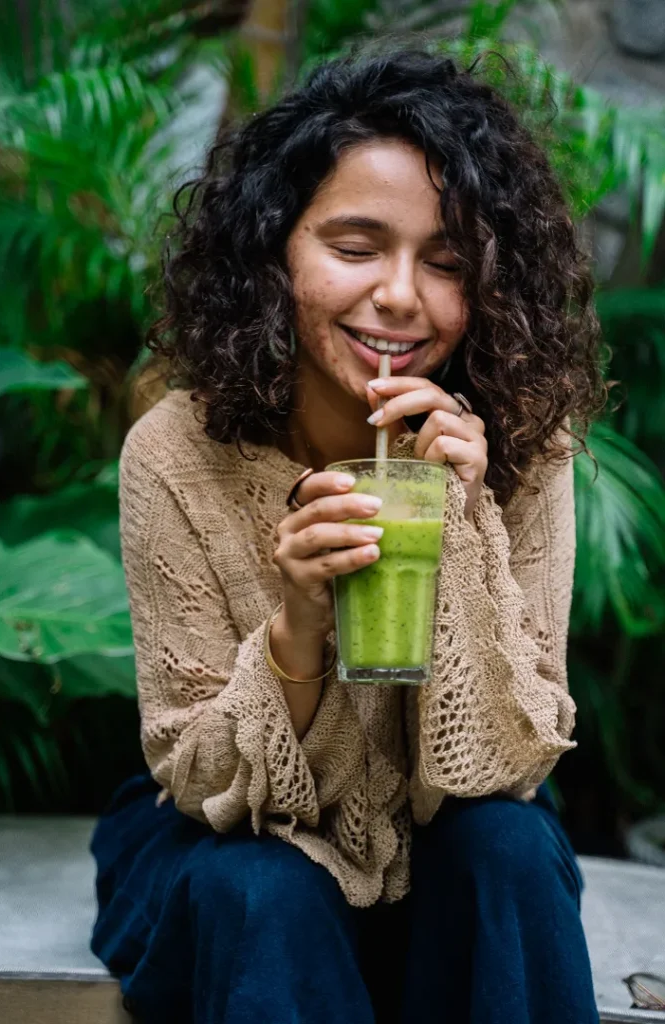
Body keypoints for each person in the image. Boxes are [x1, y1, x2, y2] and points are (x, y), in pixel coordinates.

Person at [90, 45, 605, 1024]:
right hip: (223, 830)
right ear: (272, 249)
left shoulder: (522, 442)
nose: (401, 295)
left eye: (446, 261)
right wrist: (294, 629)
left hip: (441, 828)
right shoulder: (177, 452)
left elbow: (516, 762)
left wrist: (458, 520)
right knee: (264, 888)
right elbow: (198, 782)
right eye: (356, 247)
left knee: (506, 848)